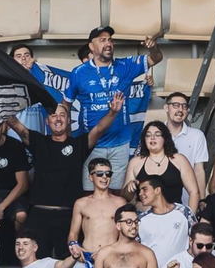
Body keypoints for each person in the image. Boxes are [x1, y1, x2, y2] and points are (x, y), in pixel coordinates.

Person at [8, 95, 122, 261]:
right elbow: (15, 124)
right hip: (39, 215)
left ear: (68, 120)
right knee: (36, 263)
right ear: (47, 121)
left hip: (68, 216)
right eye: (53, 115)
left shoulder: (79, 144)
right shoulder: (38, 141)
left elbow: (99, 129)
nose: (58, 119)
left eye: (62, 115)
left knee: (72, 263)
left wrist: (113, 112)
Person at [66, 27, 162, 189]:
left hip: (120, 143)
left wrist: (153, 47)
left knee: (117, 192)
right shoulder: (79, 73)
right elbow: (65, 105)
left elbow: (156, 58)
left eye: (110, 39)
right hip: (91, 144)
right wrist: (68, 136)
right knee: (90, 193)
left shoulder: (125, 65)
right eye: (102, 40)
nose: (108, 43)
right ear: (91, 46)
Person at [68, 157, 132, 268]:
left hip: (110, 260)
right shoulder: (81, 203)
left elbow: (126, 234)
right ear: (91, 177)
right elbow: (73, 234)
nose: (104, 177)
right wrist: (74, 247)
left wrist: (110, 251)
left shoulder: (120, 202)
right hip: (85, 259)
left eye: (108, 173)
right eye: (100, 173)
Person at [132, 176, 194, 268]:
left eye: (144, 189)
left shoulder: (184, 212)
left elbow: (196, 239)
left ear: (157, 190)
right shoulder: (140, 220)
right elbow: (134, 248)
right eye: (139, 191)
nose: (140, 194)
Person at [126, 121, 200, 210]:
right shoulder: (135, 162)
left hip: (173, 217)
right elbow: (126, 197)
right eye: (148, 135)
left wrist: (189, 218)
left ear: (165, 138)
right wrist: (129, 187)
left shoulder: (179, 160)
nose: (152, 138)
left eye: (157, 135)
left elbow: (194, 192)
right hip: (144, 218)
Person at [165, 91, 210, 199]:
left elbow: (199, 171)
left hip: (188, 200)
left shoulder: (197, 136)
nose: (180, 110)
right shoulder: (156, 134)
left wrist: (202, 200)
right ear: (166, 108)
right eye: (176, 105)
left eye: (184, 106)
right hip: (160, 200)